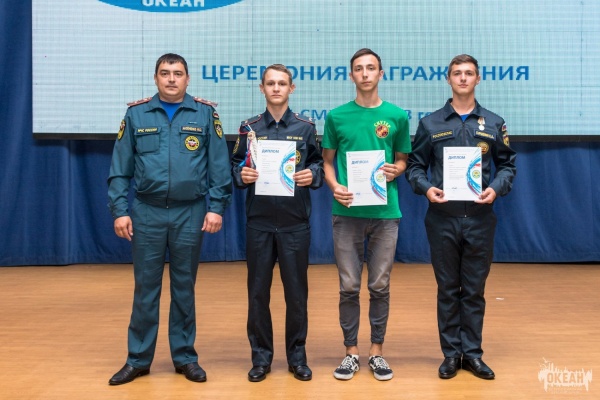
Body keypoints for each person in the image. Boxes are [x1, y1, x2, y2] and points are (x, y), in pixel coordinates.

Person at [107, 53, 232, 385]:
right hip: (146, 212)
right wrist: (120, 210)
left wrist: (216, 207)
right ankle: (138, 359)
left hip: (189, 212)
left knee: (184, 288)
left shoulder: (205, 114)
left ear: (187, 79)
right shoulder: (136, 115)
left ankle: (185, 357)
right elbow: (119, 169)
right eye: (165, 73)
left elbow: (220, 166)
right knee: (145, 289)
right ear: (156, 78)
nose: (172, 79)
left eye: (178, 73)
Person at [405, 54, 516, 380]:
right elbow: (414, 167)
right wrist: (427, 189)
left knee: (475, 290)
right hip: (442, 218)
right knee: (448, 289)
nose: (463, 78)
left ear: (478, 79)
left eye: (469, 73)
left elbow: (507, 166)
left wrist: (495, 188)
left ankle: (473, 354)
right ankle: (451, 355)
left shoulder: (494, 123)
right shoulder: (431, 123)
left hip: (480, 218)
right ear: (448, 79)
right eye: (457, 73)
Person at [322, 48, 412, 381]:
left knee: (379, 285)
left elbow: (402, 159)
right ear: (351, 75)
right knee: (348, 286)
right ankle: (350, 353)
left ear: (380, 73)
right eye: (358, 68)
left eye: (371, 68)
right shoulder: (336, 116)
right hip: (346, 213)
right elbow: (327, 162)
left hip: (385, 213)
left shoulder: (397, 116)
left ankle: (376, 352)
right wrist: (335, 187)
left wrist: (396, 170)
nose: (365, 73)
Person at [231, 64, 324, 382]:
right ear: (262, 88)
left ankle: (297, 358)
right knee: (258, 294)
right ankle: (261, 359)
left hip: (294, 224)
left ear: (291, 88)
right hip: (258, 223)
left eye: (282, 83)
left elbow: (318, 164)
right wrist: (241, 175)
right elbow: (235, 164)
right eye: (270, 83)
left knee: (296, 295)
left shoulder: (305, 127)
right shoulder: (249, 127)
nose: (276, 88)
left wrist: (312, 175)